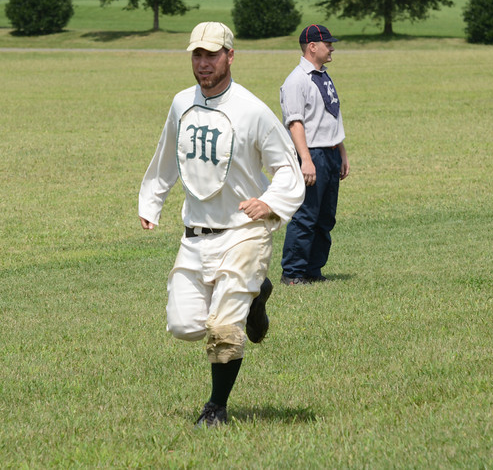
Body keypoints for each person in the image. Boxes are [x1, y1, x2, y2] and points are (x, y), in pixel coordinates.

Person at [138, 22, 305, 428]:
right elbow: (166, 156)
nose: (203, 63)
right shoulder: (182, 103)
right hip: (196, 234)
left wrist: (268, 202)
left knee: (223, 328)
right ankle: (257, 294)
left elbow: (288, 169)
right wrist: (151, 200)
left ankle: (215, 408)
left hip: (243, 233)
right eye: (197, 55)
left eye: (212, 55)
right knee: (184, 326)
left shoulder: (252, 110)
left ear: (230, 56)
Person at [279, 24, 350, 285]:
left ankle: (313, 270)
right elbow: (295, 123)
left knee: (325, 216)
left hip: (330, 154)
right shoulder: (297, 80)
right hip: (312, 155)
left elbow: (331, 116)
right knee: (306, 215)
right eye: (327, 43)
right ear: (312, 47)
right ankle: (293, 273)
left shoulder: (324, 76)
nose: (332, 47)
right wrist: (306, 159)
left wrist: (341, 152)